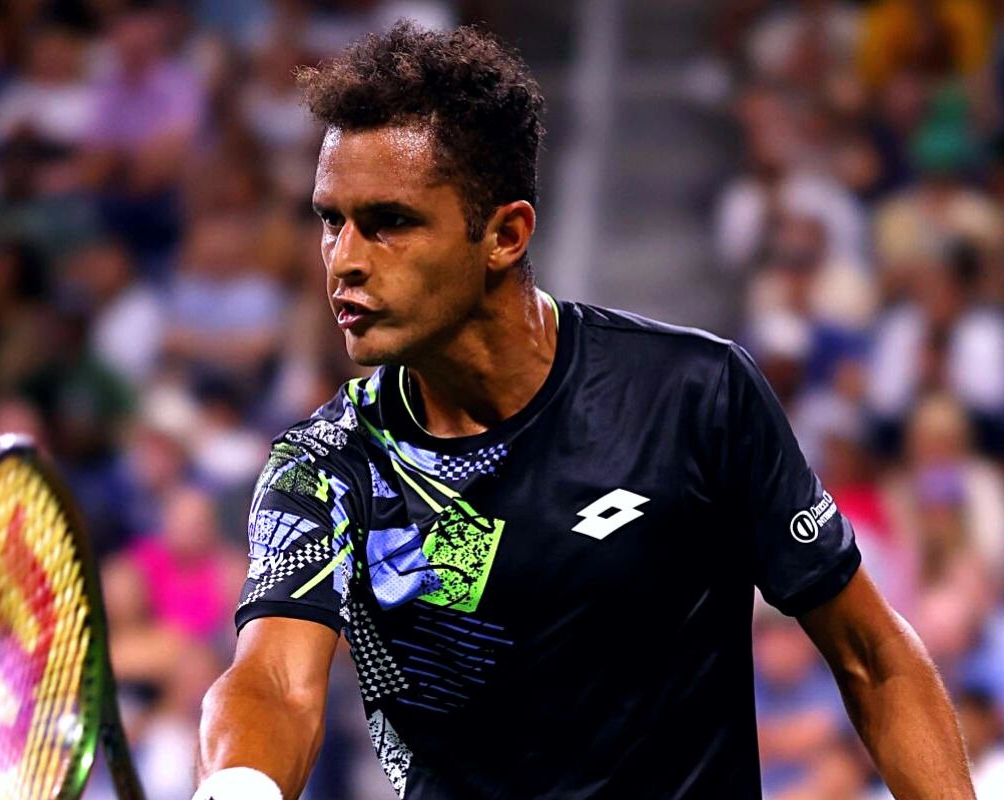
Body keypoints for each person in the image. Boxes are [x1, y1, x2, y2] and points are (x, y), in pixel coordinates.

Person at [196, 22, 974, 800]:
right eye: (332, 219)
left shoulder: (695, 396)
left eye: (390, 222)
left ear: (505, 234)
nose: (346, 260)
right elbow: (274, 681)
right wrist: (239, 786)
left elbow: (873, 659)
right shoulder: (325, 464)